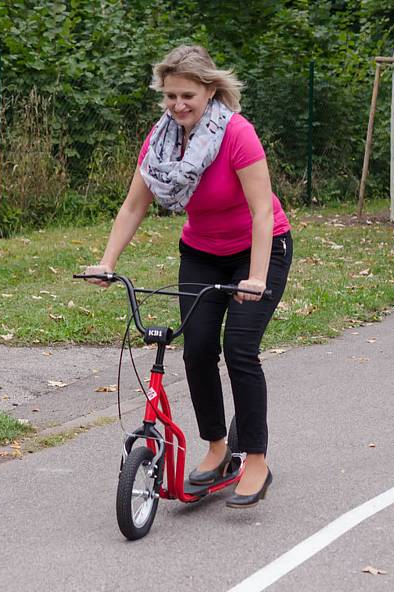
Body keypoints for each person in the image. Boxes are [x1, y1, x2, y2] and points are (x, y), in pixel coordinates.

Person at [85, 45, 292, 509]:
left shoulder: (237, 134)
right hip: (201, 251)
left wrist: (256, 277)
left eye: (187, 95)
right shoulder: (161, 142)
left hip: (259, 251)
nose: (178, 105)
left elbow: (262, 211)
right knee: (197, 349)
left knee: (240, 349)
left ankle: (254, 458)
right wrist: (107, 261)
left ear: (210, 90)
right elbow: (135, 204)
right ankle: (218, 447)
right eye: (170, 96)